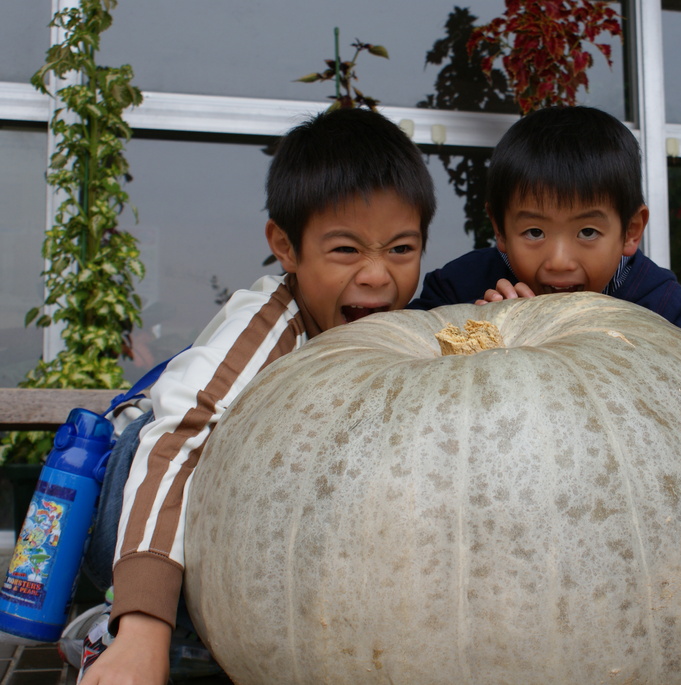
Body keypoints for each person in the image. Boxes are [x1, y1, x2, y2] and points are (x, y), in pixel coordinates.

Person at [73, 106, 435, 685]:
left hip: (249, 531)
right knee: (163, 444)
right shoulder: (268, 329)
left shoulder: (393, 335)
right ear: (286, 248)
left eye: (400, 249)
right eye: (345, 250)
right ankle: (129, 631)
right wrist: (144, 626)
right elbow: (176, 447)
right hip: (132, 510)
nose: (377, 275)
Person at [408, 105, 681, 341]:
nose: (559, 262)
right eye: (535, 232)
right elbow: (407, 354)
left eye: (587, 232)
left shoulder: (665, 312)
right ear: (499, 228)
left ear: (630, 231)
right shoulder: (459, 289)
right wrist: (473, 335)